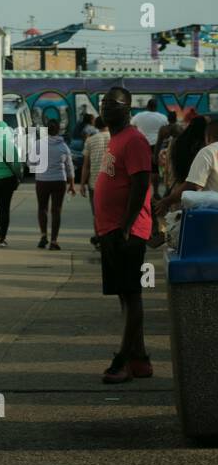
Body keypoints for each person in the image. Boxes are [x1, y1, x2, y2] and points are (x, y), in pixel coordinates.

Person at [94, 86, 153, 383]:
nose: (105, 108)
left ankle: (122, 362)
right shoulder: (115, 140)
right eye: (103, 103)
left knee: (131, 295)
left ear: (127, 108)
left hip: (127, 231)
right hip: (112, 230)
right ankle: (139, 359)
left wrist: (128, 225)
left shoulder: (134, 141)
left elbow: (141, 183)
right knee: (124, 294)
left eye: (112, 104)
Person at [154, 116, 216, 246]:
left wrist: (167, 200)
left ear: (209, 134)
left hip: (207, 215)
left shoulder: (207, 152)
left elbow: (193, 185)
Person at [36, 120, 76, 249]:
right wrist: (72, 184)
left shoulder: (38, 145)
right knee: (56, 210)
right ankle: (53, 241)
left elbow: (30, 162)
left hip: (42, 181)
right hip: (59, 181)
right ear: (59, 130)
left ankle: (43, 236)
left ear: (47, 130)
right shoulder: (64, 147)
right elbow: (69, 167)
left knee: (42, 208)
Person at [80, 114, 110, 247]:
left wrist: (81, 184)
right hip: (111, 182)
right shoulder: (114, 138)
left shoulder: (90, 140)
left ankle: (99, 237)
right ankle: (109, 236)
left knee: (97, 213)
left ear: (96, 126)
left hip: (94, 183)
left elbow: (86, 165)